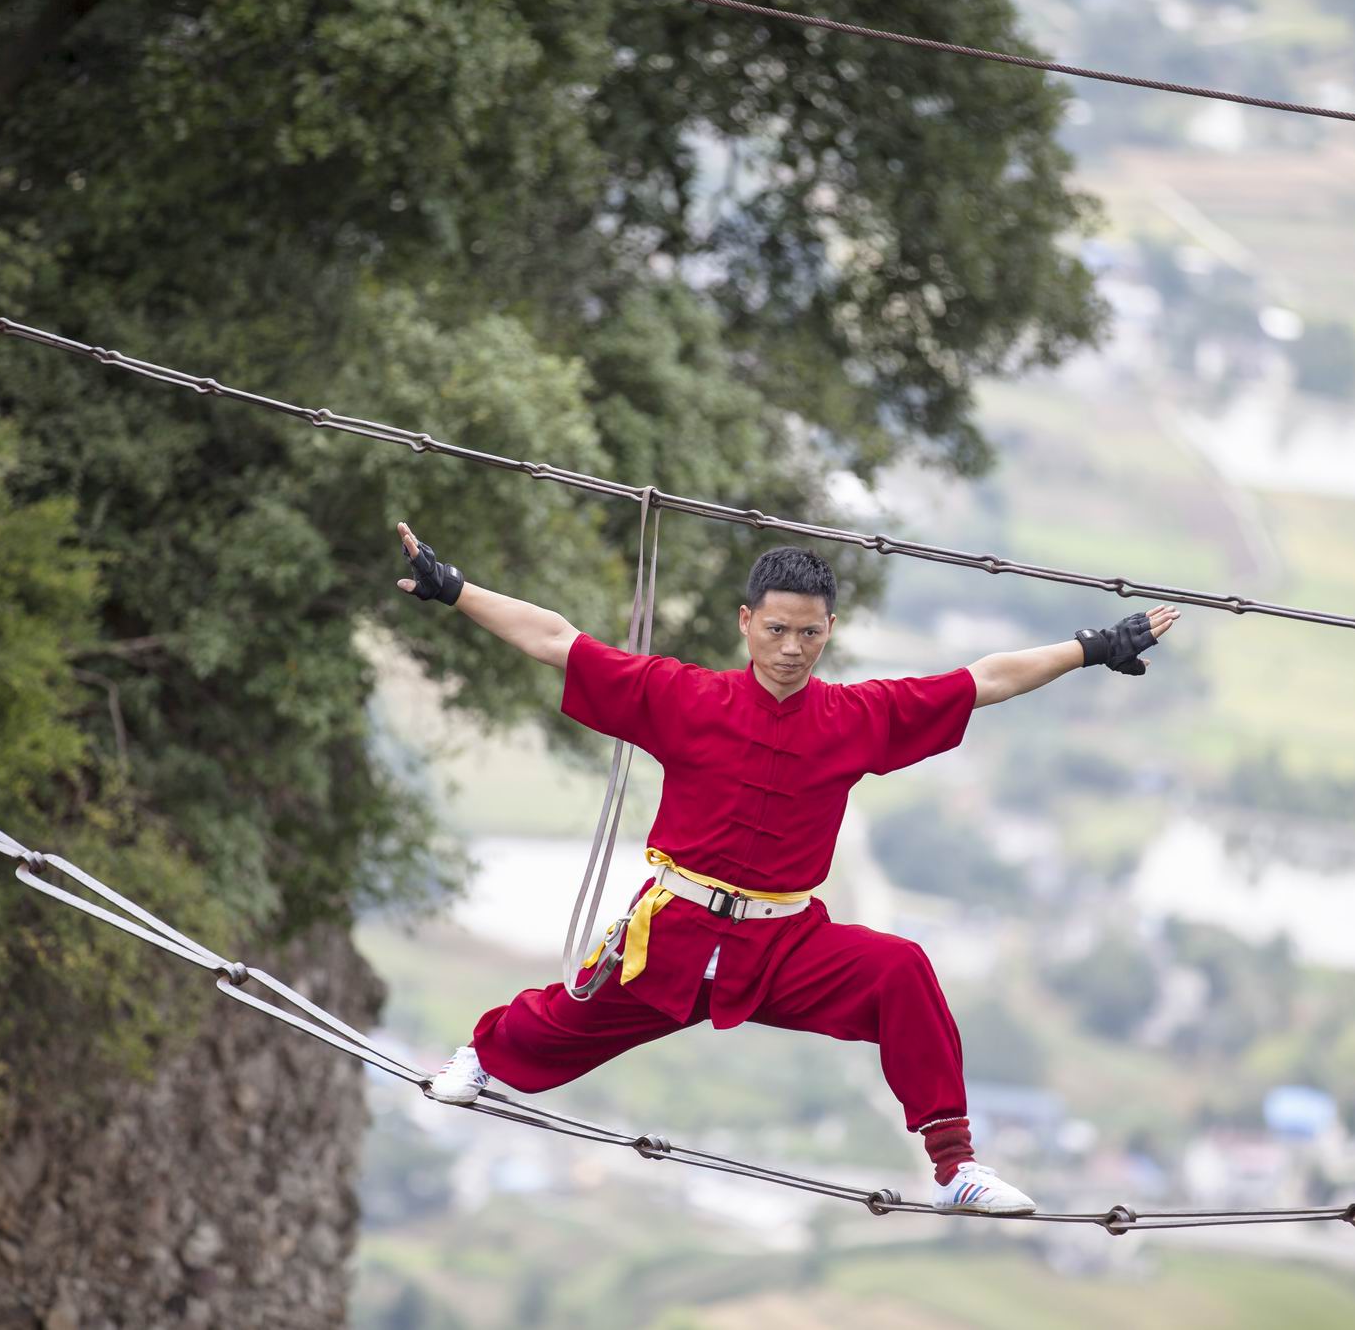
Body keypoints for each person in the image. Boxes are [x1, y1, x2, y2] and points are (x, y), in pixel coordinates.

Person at [394, 520, 1178, 1214]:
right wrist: (453, 588)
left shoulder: (856, 717)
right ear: (747, 623)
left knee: (900, 969)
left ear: (829, 630)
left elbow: (985, 680)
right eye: (776, 629)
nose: (791, 648)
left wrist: (1092, 647)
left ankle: (955, 1167)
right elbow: (557, 641)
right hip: (672, 932)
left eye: (808, 632)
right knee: (560, 1022)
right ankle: (479, 1056)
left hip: (783, 944)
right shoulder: (684, 697)